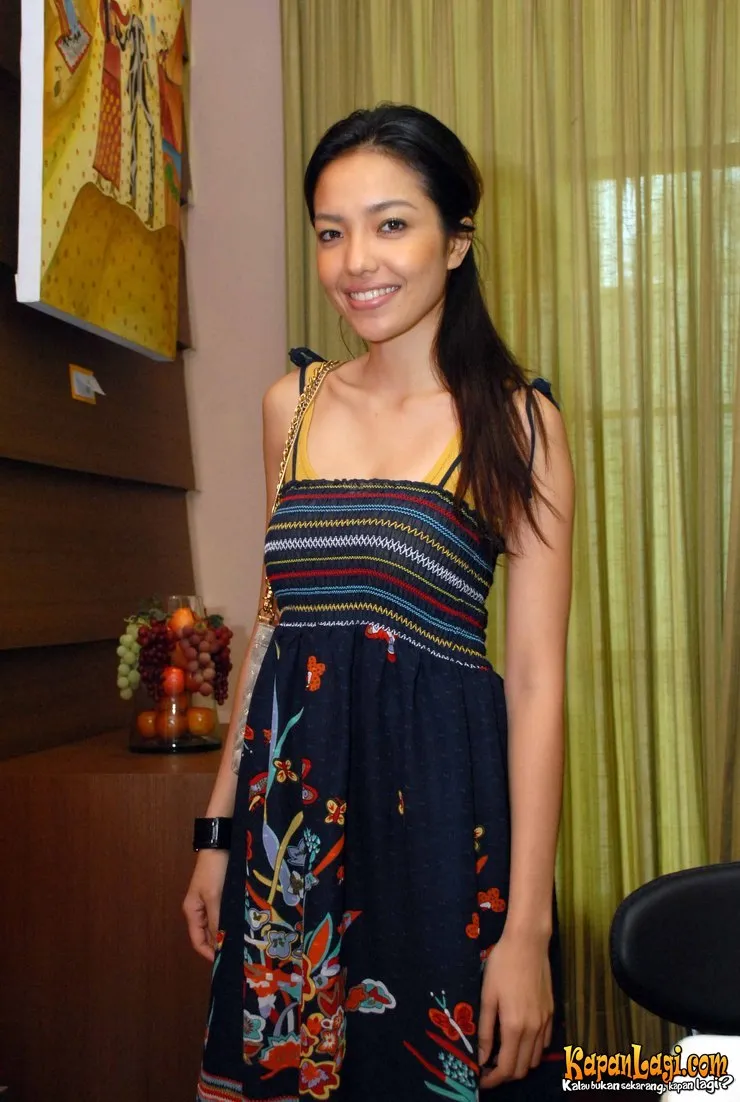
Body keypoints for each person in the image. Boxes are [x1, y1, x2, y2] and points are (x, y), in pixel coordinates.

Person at [184, 103, 575, 1101]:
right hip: (289, 838)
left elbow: (535, 683)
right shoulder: (291, 406)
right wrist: (218, 831)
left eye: (390, 224)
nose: (355, 261)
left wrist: (526, 930)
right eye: (330, 231)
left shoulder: (517, 425)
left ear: (457, 240)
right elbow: (273, 626)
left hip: (441, 834)